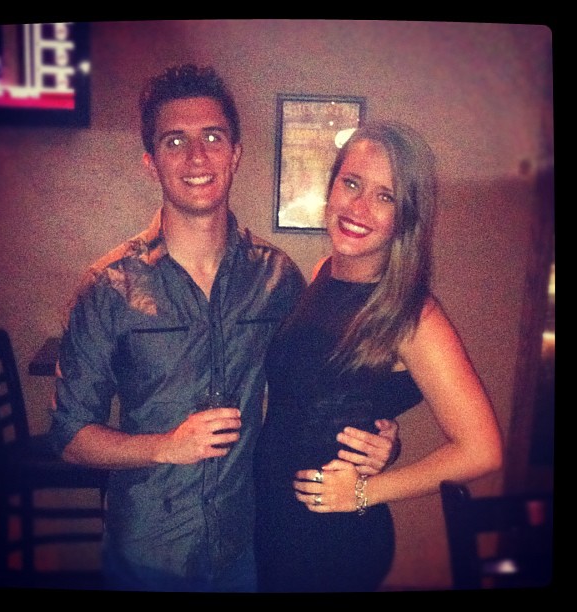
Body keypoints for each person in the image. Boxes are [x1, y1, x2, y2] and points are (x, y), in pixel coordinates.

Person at [48, 64, 399, 593]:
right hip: (149, 553)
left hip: (247, 547)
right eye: (175, 141)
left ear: (235, 154)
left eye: (212, 137)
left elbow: (319, 387)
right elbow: (71, 436)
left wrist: (378, 440)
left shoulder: (277, 278)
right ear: (151, 163)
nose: (196, 156)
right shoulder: (108, 288)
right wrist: (164, 446)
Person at [253, 121, 504, 592]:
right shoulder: (324, 272)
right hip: (274, 520)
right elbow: (322, 397)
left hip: (331, 540)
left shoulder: (414, 314)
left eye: (385, 197)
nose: (359, 207)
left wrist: (366, 491)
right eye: (351, 183)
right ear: (331, 187)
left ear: (406, 217)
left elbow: (482, 449)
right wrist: (384, 436)